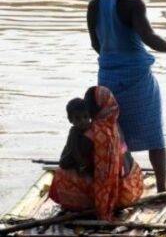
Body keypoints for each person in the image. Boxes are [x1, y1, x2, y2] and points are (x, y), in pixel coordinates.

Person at [87, 0, 166, 193]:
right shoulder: (132, 1)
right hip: (137, 78)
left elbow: (95, 44)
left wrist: (113, 61)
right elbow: (149, 37)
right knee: (154, 133)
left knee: (113, 134)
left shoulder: (94, 5)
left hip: (107, 77)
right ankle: (162, 188)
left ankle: (116, 185)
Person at [49, 86, 144, 221]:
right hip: (132, 187)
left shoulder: (93, 132)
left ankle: (87, 204)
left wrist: (74, 138)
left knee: (61, 174)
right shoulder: (115, 124)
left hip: (114, 196)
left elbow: (69, 161)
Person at [60, 98, 94, 176]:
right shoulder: (74, 131)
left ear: (90, 116)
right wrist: (83, 164)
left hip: (79, 158)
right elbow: (73, 150)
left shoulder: (91, 128)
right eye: (77, 118)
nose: (82, 121)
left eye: (85, 117)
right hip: (67, 160)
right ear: (70, 120)